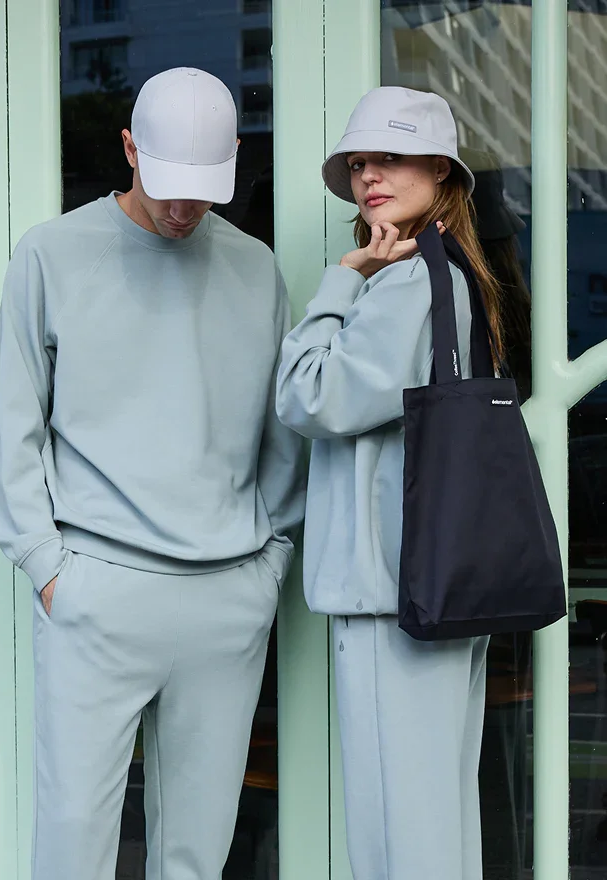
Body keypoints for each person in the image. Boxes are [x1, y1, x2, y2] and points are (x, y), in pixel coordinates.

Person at [0, 67, 304, 880]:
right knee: (71, 847)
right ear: (129, 148)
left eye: (204, 189)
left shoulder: (256, 268)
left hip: (227, 597)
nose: (184, 208)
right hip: (96, 589)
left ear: (234, 158)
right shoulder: (52, 254)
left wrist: (268, 566)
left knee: (198, 853)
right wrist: (47, 566)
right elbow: (12, 426)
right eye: (168, 184)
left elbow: (282, 438)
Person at [276, 87, 502, 880]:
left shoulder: (406, 284)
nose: (370, 175)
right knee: (435, 822)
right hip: (436, 586)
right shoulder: (454, 275)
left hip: (392, 596)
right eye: (360, 162)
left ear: (440, 169)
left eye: (392, 157)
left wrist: (343, 278)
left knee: (397, 836)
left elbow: (308, 397)